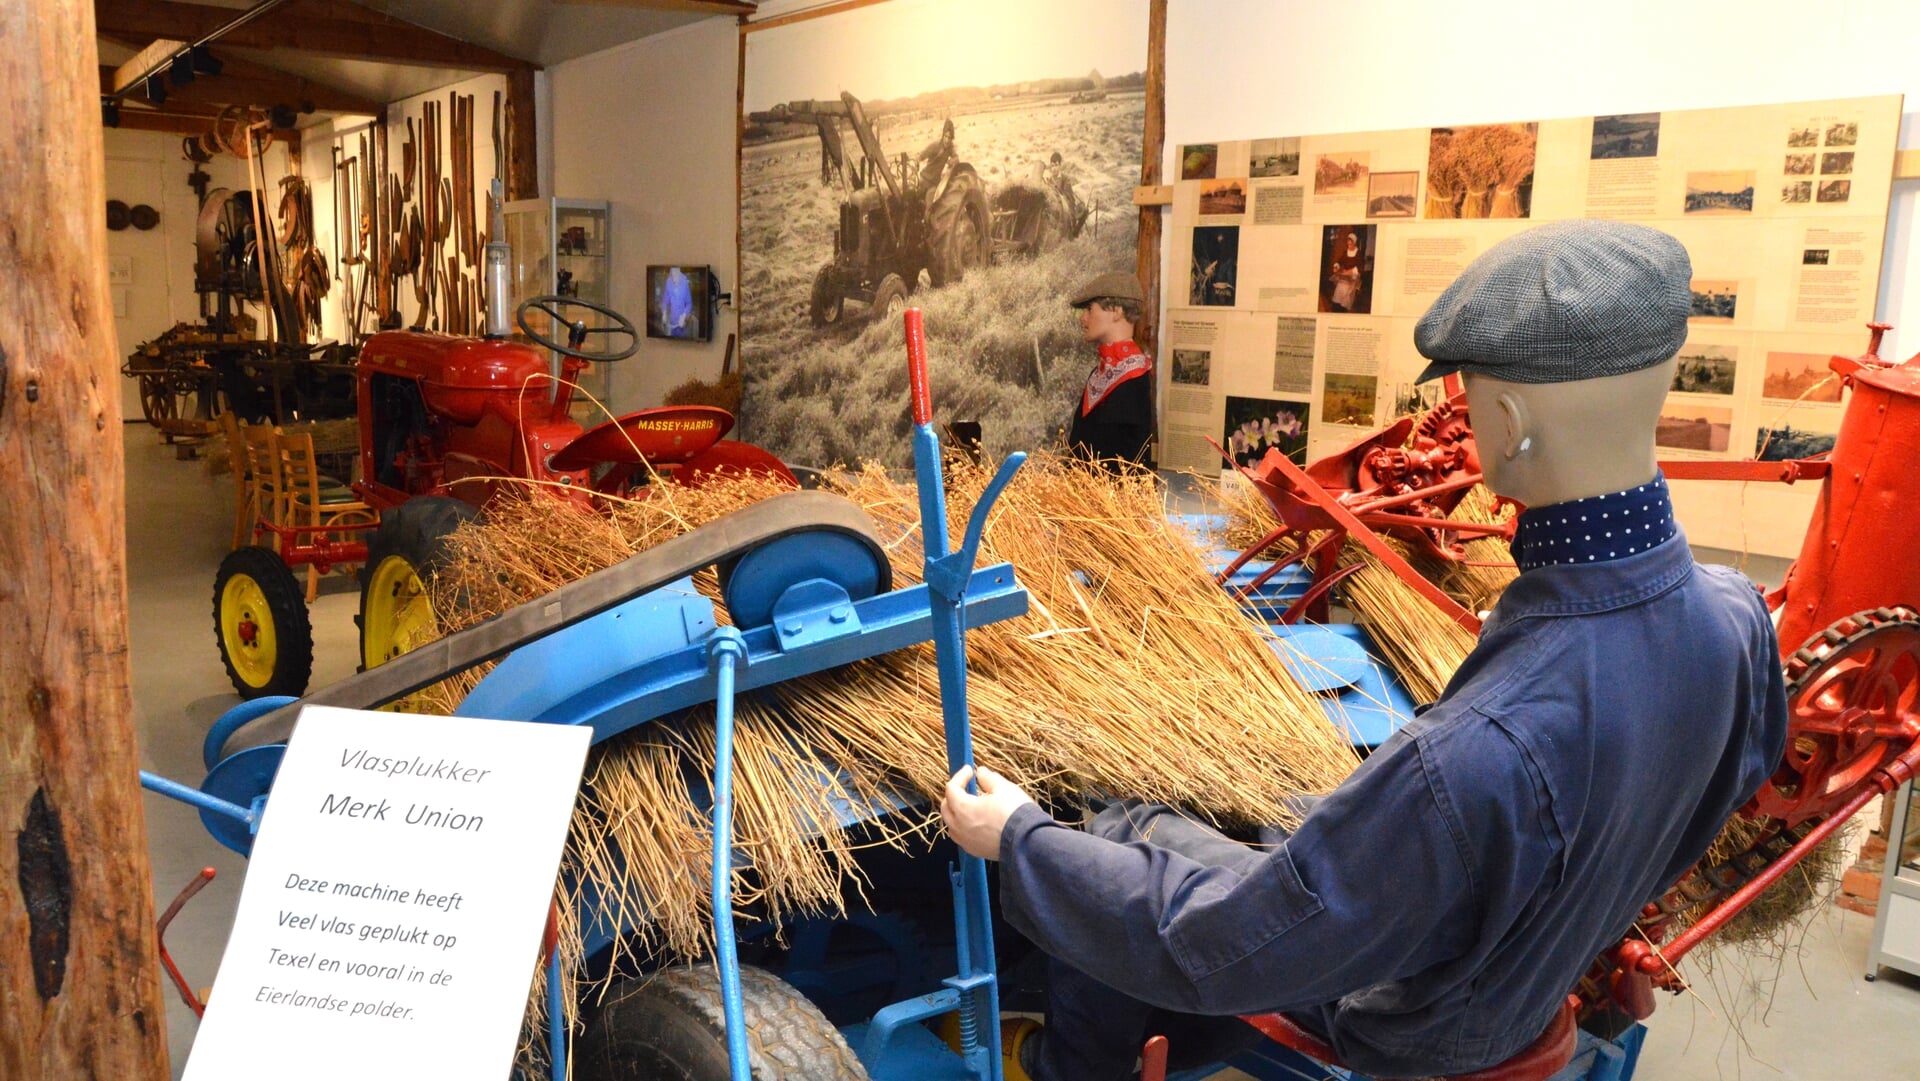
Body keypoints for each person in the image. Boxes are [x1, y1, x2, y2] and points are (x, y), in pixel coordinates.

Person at [942, 220, 1788, 1081]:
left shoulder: (1480, 754)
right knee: (1275, 802)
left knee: (1120, 827)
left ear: (1504, 418)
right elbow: (1703, 814)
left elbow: (1230, 940)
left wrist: (1021, 839)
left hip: (1412, 1016)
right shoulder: (1737, 621)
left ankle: (1067, 1068)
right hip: (1527, 975)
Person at [1064, 271, 1154, 469]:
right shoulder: (1101, 373)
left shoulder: (1134, 378)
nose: (1083, 319)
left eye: (1089, 309)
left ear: (1116, 311)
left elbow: (1122, 460)